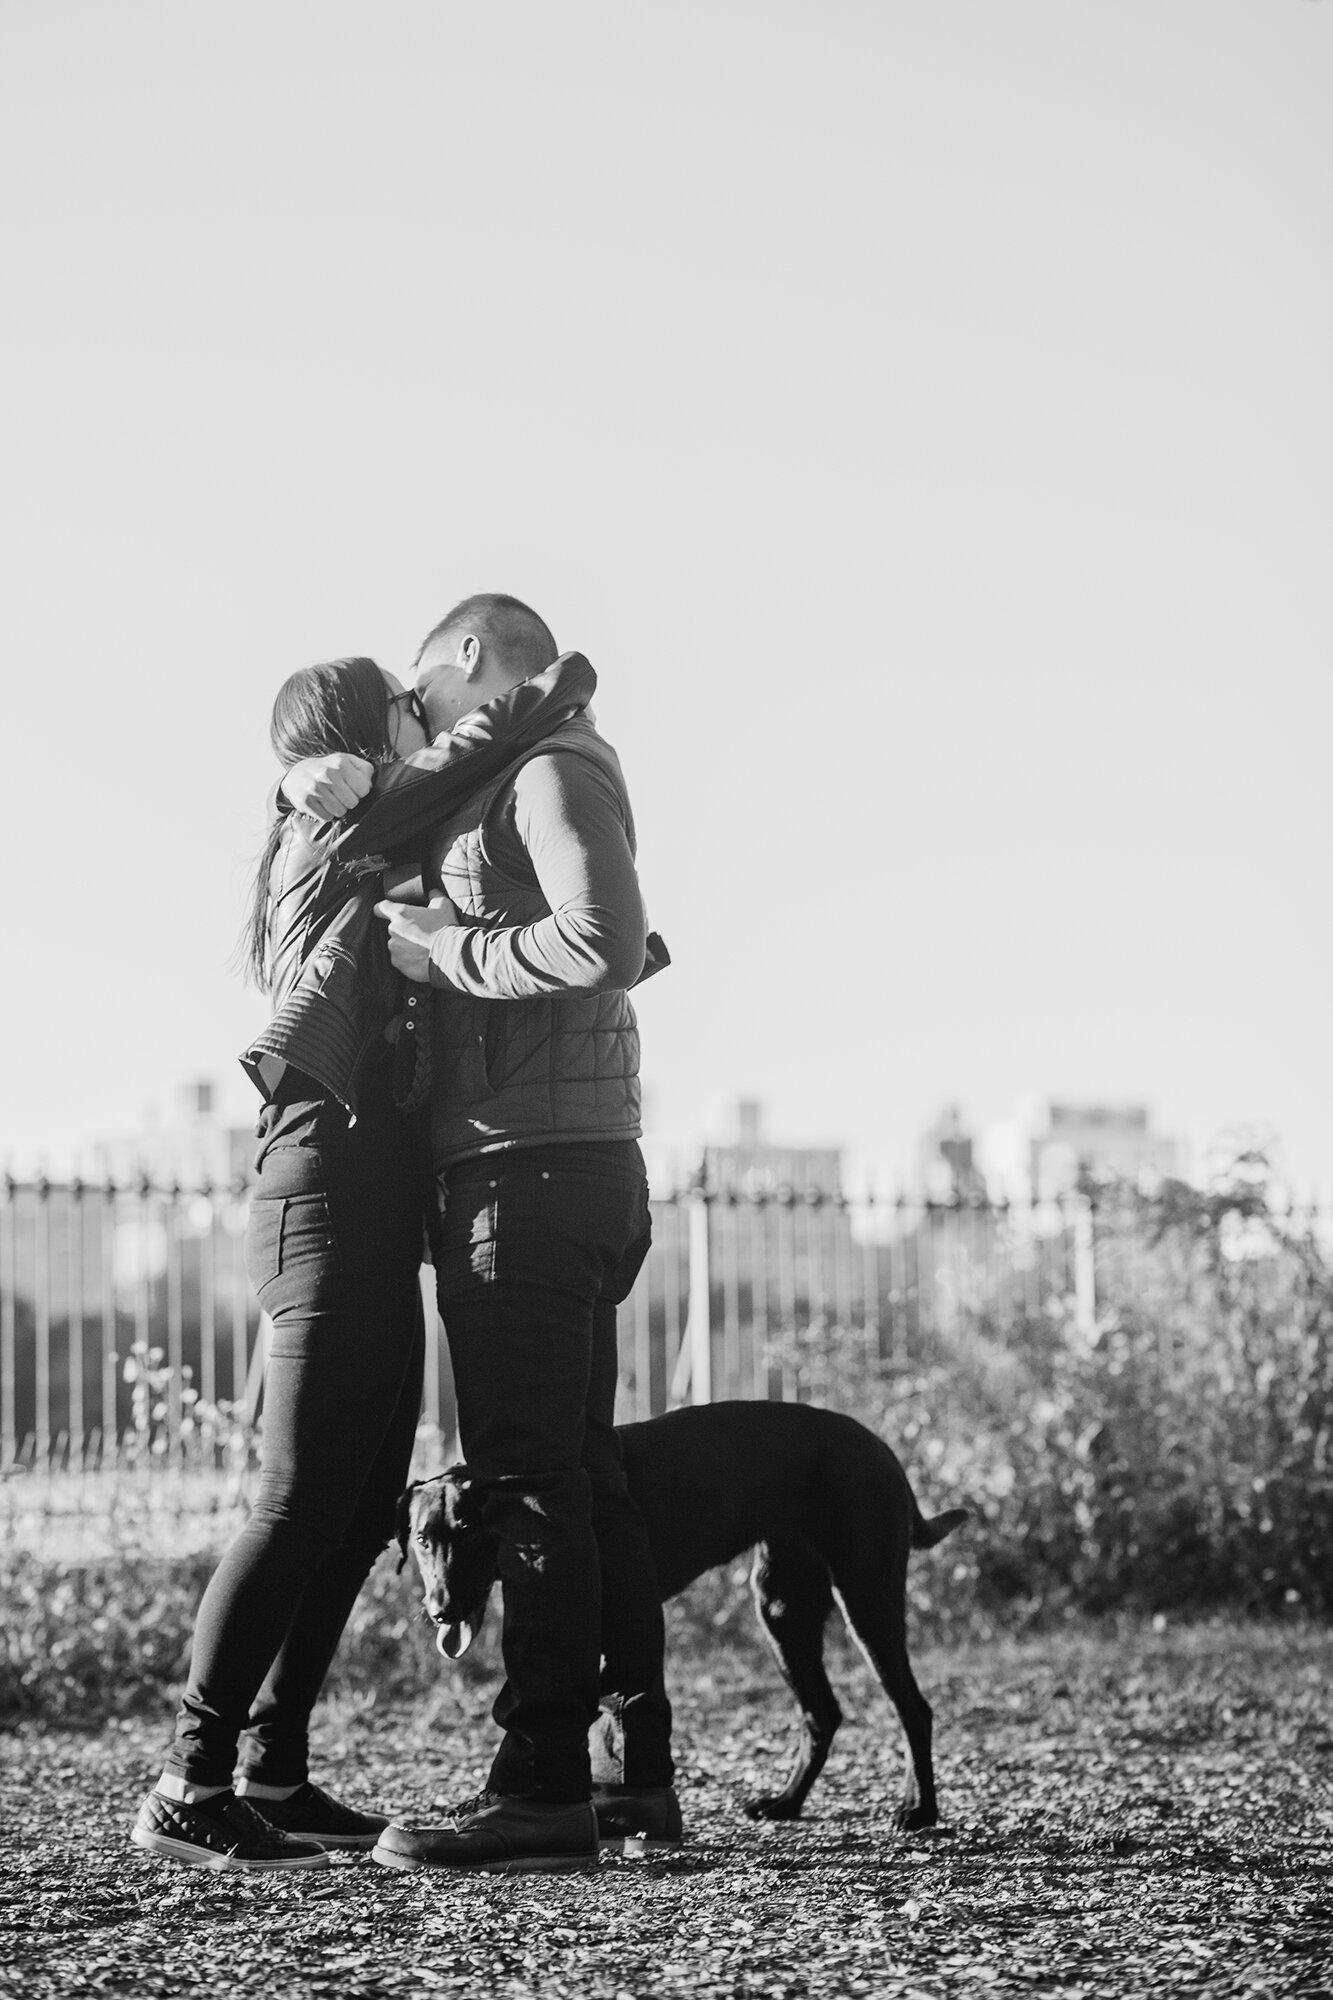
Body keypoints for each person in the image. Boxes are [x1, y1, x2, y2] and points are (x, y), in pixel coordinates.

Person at [131, 650, 594, 1872]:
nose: (421, 720)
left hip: (375, 1214)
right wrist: (547, 687)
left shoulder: (384, 840)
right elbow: (448, 761)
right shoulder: (330, 829)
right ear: (355, 737)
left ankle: (272, 1769)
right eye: (404, 705)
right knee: (294, 1500)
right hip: (320, 1201)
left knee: (356, 1511)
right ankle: (190, 1777)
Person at [355, 592, 676, 1873]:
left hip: (531, 1182)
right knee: (581, 1476)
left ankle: (539, 1783)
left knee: (529, 1480)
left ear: (472, 660)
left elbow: (602, 938)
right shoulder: (529, 769)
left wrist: (450, 953)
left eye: (425, 695)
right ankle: (626, 1770)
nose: (423, 726)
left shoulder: (551, 765)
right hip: (555, 1169)